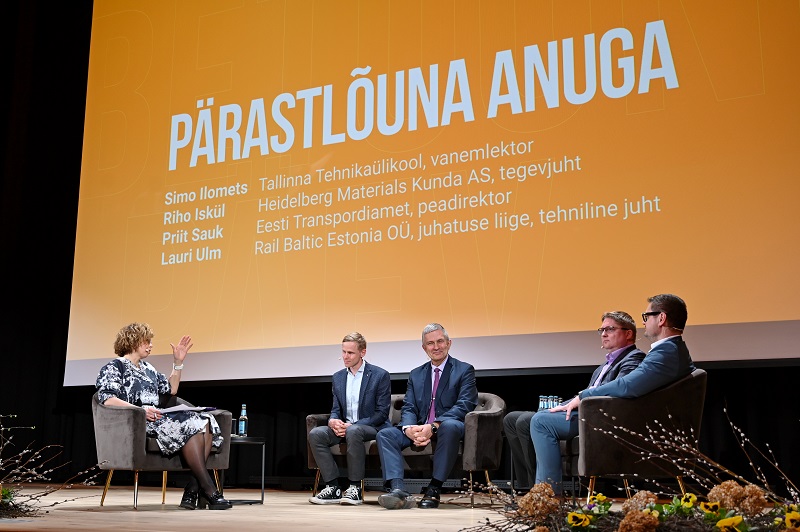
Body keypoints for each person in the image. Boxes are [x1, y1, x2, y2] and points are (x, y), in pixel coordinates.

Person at [531, 294, 695, 494]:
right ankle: (543, 493)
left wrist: (583, 396)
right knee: (536, 419)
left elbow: (627, 386)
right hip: (627, 418)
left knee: (540, 421)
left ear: (661, 318)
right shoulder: (670, 350)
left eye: (646, 317)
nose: (644, 322)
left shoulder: (666, 352)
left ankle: (548, 497)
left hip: (625, 424)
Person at [95, 323, 231, 510]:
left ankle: (193, 489)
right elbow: (108, 399)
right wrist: (140, 410)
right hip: (137, 423)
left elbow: (171, 389)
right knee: (192, 424)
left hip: (159, 419)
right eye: (147, 341)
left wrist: (178, 362)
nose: (150, 345)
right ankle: (206, 489)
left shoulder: (148, 369)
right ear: (133, 341)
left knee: (204, 420)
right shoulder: (114, 367)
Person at [503, 311, 645, 490]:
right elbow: (582, 395)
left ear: (628, 333)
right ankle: (529, 486)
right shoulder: (603, 366)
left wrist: (576, 401)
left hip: (599, 418)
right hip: (586, 413)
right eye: (601, 330)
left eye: (610, 329)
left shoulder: (634, 358)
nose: (603, 334)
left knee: (540, 421)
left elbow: (616, 390)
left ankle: (550, 492)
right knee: (514, 419)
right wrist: (560, 406)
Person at [376, 323, 478, 510]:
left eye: (440, 341)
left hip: (447, 427)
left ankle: (434, 488)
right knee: (385, 434)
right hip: (421, 427)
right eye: (430, 343)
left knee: (450, 426)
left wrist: (435, 425)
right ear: (424, 348)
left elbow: (465, 404)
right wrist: (408, 428)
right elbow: (409, 406)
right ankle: (398, 490)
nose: (436, 347)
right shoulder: (416, 374)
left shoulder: (464, 370)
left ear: (449, 343)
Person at [308, 332, 392, 506]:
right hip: (346, 427)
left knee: (354, 430)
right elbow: (336, 409)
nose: (345, 356)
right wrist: (333, 421)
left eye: (351, 353)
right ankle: (333, 487)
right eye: (344, 352)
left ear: (363, 352)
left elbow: (381, 413)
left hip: (372, 427)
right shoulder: (338, 377)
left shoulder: (379, 375)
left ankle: (355, 488)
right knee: (316, 434)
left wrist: (352, 425)